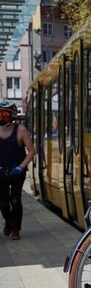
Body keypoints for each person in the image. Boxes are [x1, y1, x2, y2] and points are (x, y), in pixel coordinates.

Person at [0, 102, 35, 240]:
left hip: (17, 172)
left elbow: (31, 151)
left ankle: (16, 228)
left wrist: (21, 167)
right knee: (2, 202)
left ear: (12, 115)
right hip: (1, 172)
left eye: (4, 114)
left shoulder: (21, 130)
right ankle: (9, 222)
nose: (1, 117)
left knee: (15, 200)